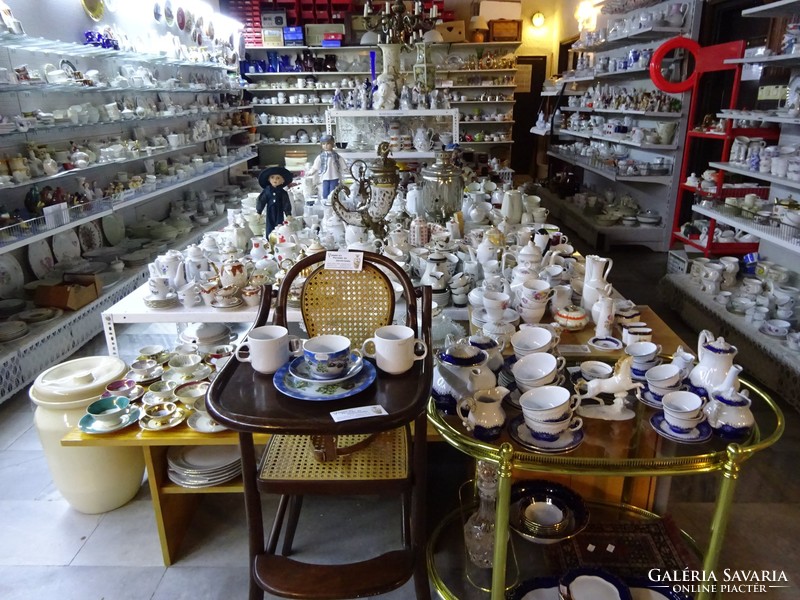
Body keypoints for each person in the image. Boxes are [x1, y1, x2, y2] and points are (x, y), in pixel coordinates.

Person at [306, 134, 350, 202]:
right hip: (325, 176)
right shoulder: (321, 156)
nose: (325, 146)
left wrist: (345, 169)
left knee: (333, 191)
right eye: (323, 144)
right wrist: (311, 171)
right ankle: (325, 202)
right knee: (325, 190)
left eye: (328, 144)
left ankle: (333, 202)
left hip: (334, 176)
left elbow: (342, 162)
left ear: (332, 144)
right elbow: (316, 166)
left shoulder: (336, 156)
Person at [256, 165, 293, 235]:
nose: (275, 180)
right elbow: (261, 200)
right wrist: (259, 211)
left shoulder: (283, 192)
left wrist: (288, 213)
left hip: (279, 210)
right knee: (269, 225)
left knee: (279, 225)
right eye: (272, 177)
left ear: (282, 181)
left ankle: (278, 238)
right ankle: (269, 238)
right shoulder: (267, 191)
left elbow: (286, 203)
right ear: (268, 179)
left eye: (278, 178)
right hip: (270, 210)